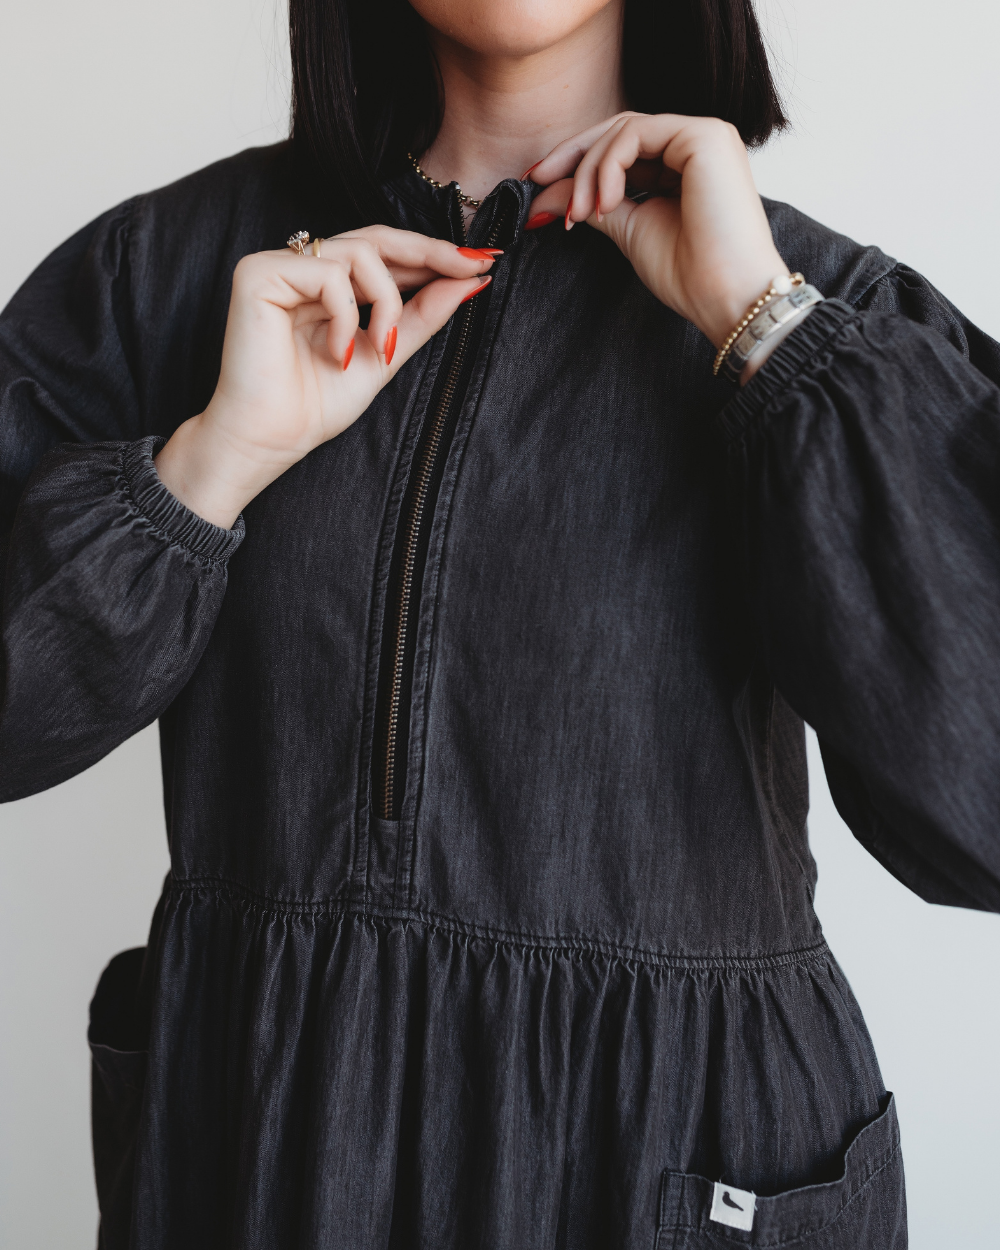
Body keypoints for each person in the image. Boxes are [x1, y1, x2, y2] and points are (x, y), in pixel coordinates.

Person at [1, 0, 998, 1245]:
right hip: (269, 1150)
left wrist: (769, 332)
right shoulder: (165, 277)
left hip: (671, 1162)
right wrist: (207, 468)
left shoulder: (827, 308)